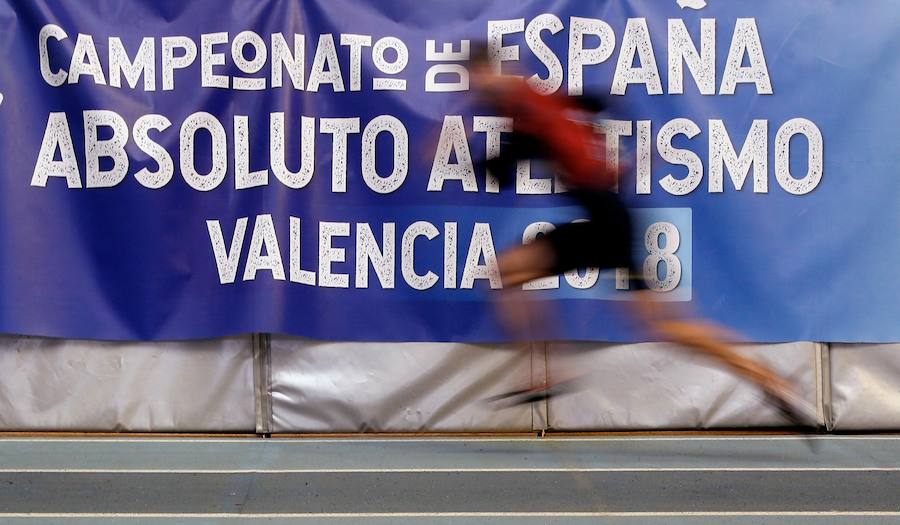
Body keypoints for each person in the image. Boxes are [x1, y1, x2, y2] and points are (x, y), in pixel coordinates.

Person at [468, 51, 816, 428]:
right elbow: (599, 101)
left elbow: (501, 170)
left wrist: (464, 147)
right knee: (670, 327)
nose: (477, 87)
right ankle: (768, 377)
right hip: (613, 219)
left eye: (478, 77)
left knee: (507, 271)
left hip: (606, 224)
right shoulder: (543, 101)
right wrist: (611, 152)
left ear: (490, 72)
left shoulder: (529, 112)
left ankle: (549, 372)